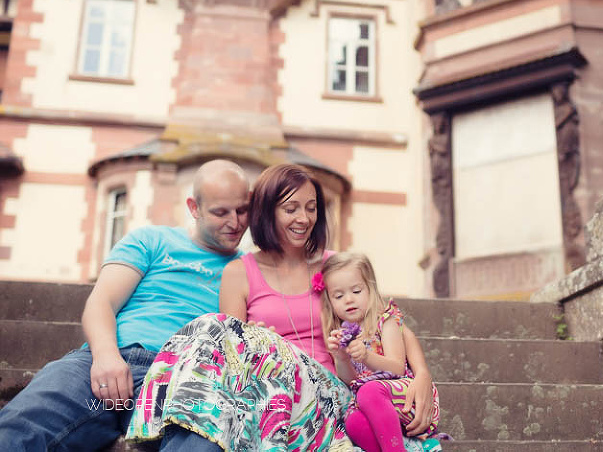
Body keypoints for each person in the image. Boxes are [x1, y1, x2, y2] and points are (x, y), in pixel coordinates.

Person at [125, 164, 438, 451]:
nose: (304, 218)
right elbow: (230, 360)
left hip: (329, 397)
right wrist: (256, 339)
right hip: (269, 394)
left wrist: (421, 374)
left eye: (312, 208)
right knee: (217, 330)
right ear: (267, 212)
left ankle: (156, 417)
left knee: (218, 329)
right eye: (291, 208)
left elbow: (387, 319)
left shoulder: (334, 266)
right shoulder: (239, 272)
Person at [0, 159, 251, 451]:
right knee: (22, 425)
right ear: (193, 208)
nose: (235, 223)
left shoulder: (248, 269)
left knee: (207, 443)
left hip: (184, 377)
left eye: (243, 209)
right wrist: (106, 357)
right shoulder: (152, 239)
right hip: (109, 360)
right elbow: (101, 302)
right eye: (221, 212)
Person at [321, 252, 440, 452]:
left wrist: (367, 356)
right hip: (374, 406)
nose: (348, 300)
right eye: (339, 296)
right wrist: (341, 359)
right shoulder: (343, 333)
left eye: (357, 291)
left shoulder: (385, 321)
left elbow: (397, 367)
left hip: (406, 396)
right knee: (353, 421)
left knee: (369, 391)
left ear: (370, 289)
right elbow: (353, 381)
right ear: (330, 301)